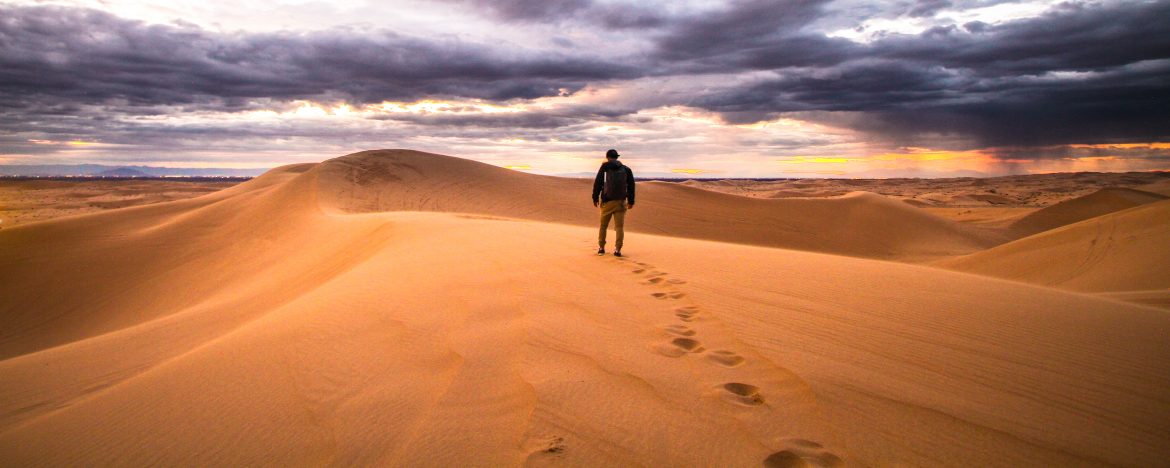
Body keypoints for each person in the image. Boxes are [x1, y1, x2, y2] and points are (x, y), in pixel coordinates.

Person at [592, 148, 635, 257]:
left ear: (607, 157)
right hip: (621, 202)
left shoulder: (604, 168)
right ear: (616, 157)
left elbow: (598, 183)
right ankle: (618, 250)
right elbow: (631, 186)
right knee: (619, 227)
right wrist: (631, 201)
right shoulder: (626, 169)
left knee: (603, 226)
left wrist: (595, 198)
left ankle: (601, 248)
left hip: (607, 202)